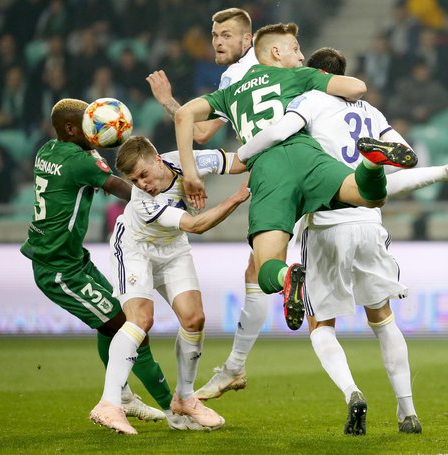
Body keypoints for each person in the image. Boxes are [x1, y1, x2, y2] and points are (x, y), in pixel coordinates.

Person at [215, 47, 448, 435]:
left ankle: (352, 393)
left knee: (321, 324)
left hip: (327, 220)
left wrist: (240, 157)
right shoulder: (371, 113)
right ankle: (407, 412)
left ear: (315, 75)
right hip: (369, 222)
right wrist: (445, 172)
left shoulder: (308, 100)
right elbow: (405, 161)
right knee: (382, 319)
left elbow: (279, 134)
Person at [174, 23, 417, 335]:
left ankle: (289, 277)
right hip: (307, 156)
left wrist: (191, 174)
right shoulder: (297, 77)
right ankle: (372, 162)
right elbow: (356, 88)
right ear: (276, 53)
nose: (302, 58)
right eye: (296, 49)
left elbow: (183, 116)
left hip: (267, 172)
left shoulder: (228, 94)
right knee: (371, 196)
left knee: (266, 269)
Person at [19, 98, 171, 427]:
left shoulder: (47, 150)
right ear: (72, 129)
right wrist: (163, 198)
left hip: (73, 260)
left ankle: (125, 398)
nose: (96, 128)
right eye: (90, 124)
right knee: (130, 328)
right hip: (59, 270)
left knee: (113, 321)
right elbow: (118, 186)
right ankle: (175, 408)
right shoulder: (81, 161)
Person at [89, 136, 249, 434]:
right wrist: (237, 198)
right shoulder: (142, 202)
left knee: (194, 319)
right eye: (134, 179)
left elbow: (237, 161)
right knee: (141, 319)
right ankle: (109, 403)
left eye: (143, 175)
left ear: (157, 160)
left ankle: (184, 397)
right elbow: (197, 225)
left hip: (173, 249)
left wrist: (265, 156)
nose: (141, 184)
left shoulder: (184, 161)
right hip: (135, 250)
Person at [146, 7, 267, 401]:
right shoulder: (232, 77)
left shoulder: (262, 63)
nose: (218, 40)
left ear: (248, 40)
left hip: (284, 170)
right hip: (266, 169)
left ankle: (235, 367)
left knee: (264, 271)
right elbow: (198, 131)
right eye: (215, 34)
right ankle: (235, 366)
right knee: (257, 269)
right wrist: (170, 103)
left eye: (227, 34)